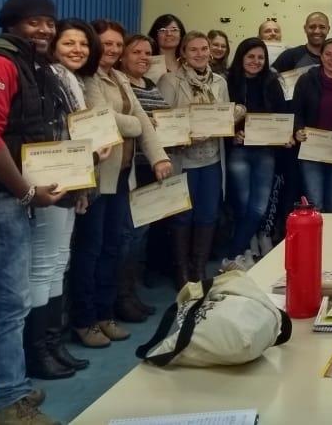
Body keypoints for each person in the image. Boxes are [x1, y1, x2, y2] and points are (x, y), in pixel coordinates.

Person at [0, 0, 68, 425]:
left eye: (49, 22)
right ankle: (10, 402)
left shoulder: (31, 65)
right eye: (34, 22)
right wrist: (26, 191)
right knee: (8, 302)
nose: (45, 30)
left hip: (7, 196)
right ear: (12, 24)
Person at [71, 20, 173, 349]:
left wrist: (158, 157)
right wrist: (135, 124)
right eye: (107, 44)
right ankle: (84, 320)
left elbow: (142, 118)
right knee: (90, 250)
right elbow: (108, 119)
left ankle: (105, 314)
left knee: (112, 247)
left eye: (117, 44)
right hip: (97, 178)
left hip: (121, 175)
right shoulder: (87, 78)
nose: (113, 50)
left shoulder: (118, 77)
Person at [25, 19, 101, 381]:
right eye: (69, 42)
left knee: (59, 261)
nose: (77, 49)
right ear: (54, 45)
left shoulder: (71, 80)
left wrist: (83, 186)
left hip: (71, 179)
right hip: (48, 180)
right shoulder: (45, 76)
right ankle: (37, 352)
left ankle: (53, 345)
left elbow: (80, 131)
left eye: (83, 44)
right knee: (43, 265)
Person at [158, 31, 229, 288]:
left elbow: (224, 115)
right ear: (184, 54)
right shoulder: (169, 81)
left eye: (204, 49)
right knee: (182, 216)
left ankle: (198, 268)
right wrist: (187, 134)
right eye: (193, 50)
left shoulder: (219, 81)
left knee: (208, 215)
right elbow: (163, 123)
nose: (200, 54)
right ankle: (181, 271)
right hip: (182, 159)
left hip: (211, 159)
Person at [116, 34, 167, 322]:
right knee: (126, 233)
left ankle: (130, 292)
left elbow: (162, 122)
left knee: (141, 232)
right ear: (123, 55)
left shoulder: (150, 85)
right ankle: (121, 296)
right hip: (128, 168)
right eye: (136, 52)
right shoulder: (121, 85)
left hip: (152, 166)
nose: (143, 57)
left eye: (148, 53)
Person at [224, 38, 287, 269]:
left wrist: (284, 136)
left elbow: (282, 115)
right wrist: (231, 134)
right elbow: (218, 118)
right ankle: (243, 252)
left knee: (258, 209)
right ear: (241, 57)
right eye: (251, 56)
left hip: (265, 153)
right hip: (239, 152)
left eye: (260, 57)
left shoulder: (272, 82)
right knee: (242, 207)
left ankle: (232, 255)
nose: (256, 61)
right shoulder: (227, 82)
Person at [292, 38, 332, 212]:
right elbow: (296, 111)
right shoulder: (306, 80)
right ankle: (316, 239)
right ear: (321, 55)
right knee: (315, 203)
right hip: (311, 151)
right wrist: (297, 130)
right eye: (328, 54)